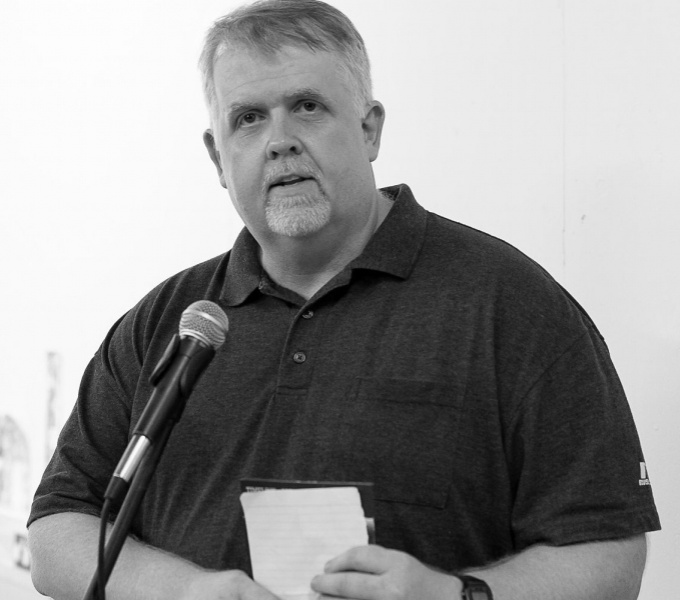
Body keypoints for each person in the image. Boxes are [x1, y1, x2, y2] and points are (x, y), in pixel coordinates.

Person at [27, 1, 660, 599]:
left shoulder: (510, 304)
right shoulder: (171, 323)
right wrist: (182, 590)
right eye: (248, 118)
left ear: (370, 128)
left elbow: (609, 556)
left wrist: (454, 594)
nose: (279, 141)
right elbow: (59, 530)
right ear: (218, 157)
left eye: (307, 106)